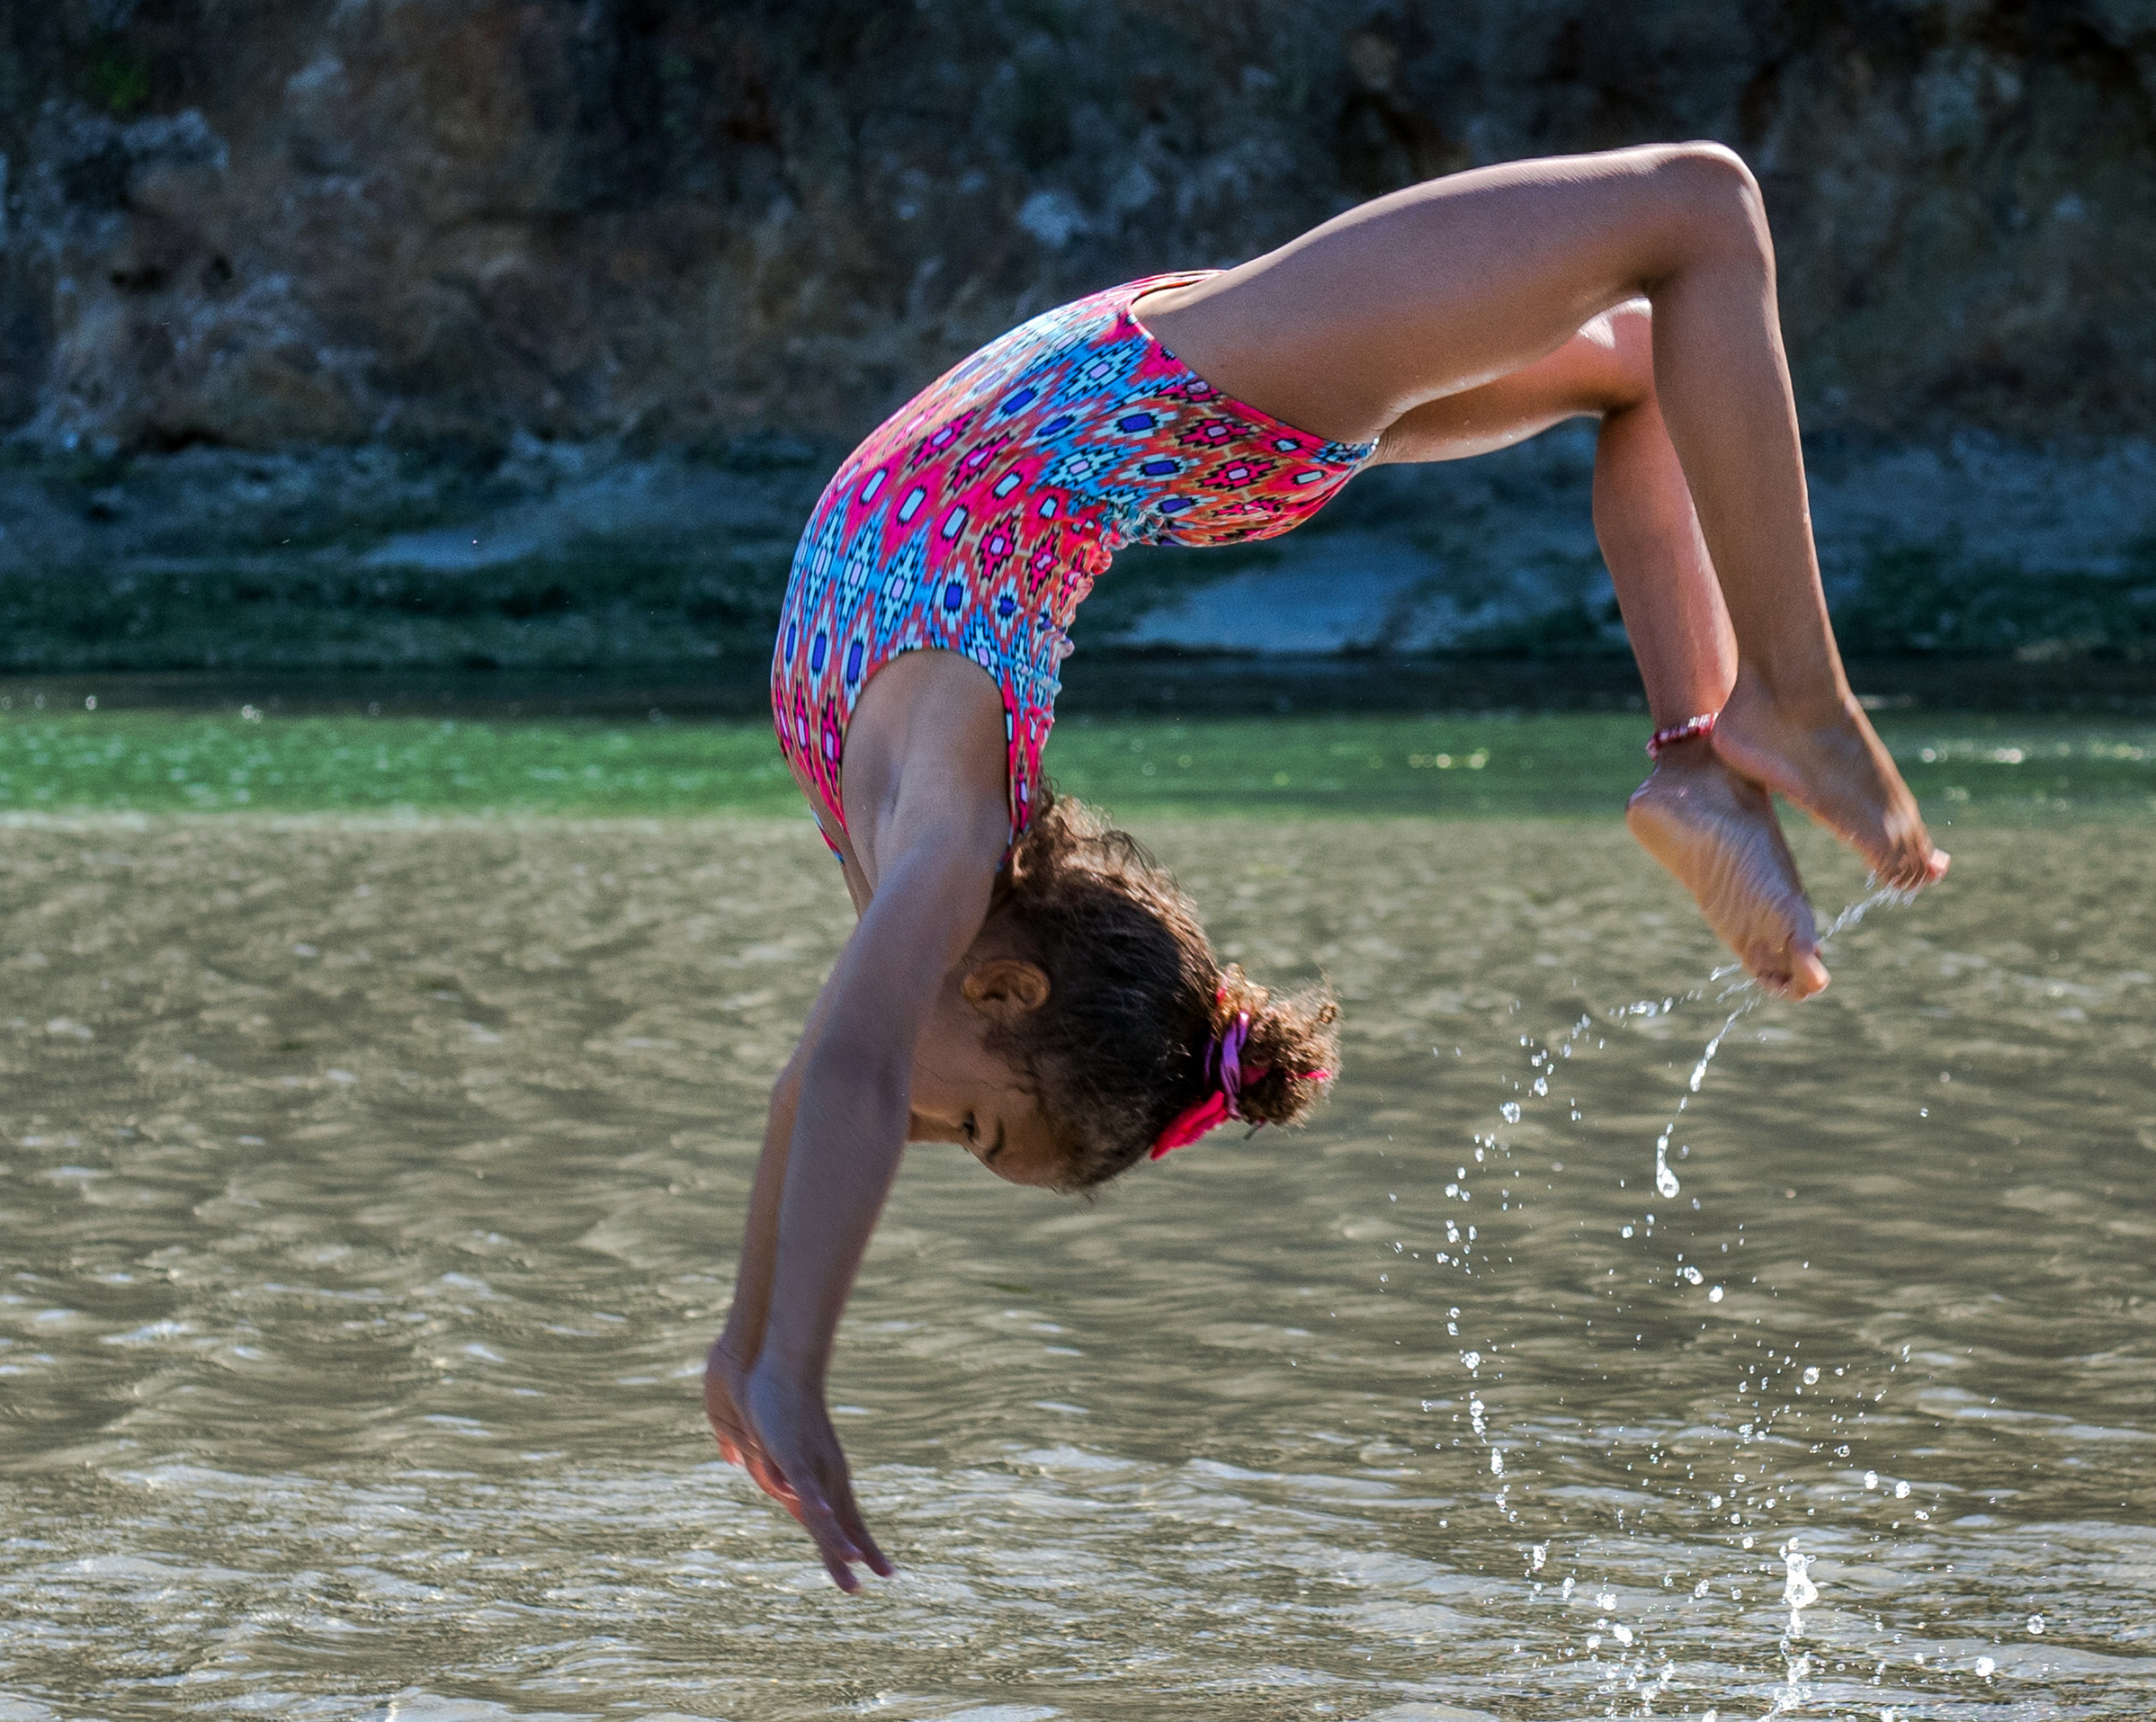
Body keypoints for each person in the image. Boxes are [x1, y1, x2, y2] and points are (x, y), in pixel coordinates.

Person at [704, 144, 1949, 1592]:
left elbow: (825, 1084)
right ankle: (1745, 725)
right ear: (1009, 984)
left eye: (962, 1138)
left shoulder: (927, 856)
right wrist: (783, 1354)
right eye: (968, 1134)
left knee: (1667, 297)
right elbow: (845, 1083)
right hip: (1193, 398)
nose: (915, 1137)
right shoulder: (946, 839)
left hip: (1171, 403)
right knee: (1694, 227)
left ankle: (1735, 735)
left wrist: (755, 1346)